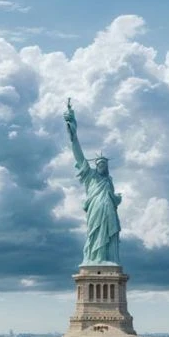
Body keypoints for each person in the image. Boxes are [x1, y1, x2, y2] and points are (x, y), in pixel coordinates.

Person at [64, 98, 122, 265]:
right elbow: (79, 155)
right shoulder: (90, 176)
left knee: (110, 235)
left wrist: (115, 198)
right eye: (99, 164)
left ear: (107, 166)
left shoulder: (109, 180)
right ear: (95, 166)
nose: (101, 166)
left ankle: (108, 259)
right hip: (96, 209)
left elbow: (113, 199)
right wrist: (73, 133)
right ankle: (95, 259)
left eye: (104, 164)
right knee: (95, 233)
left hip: (109, 211)